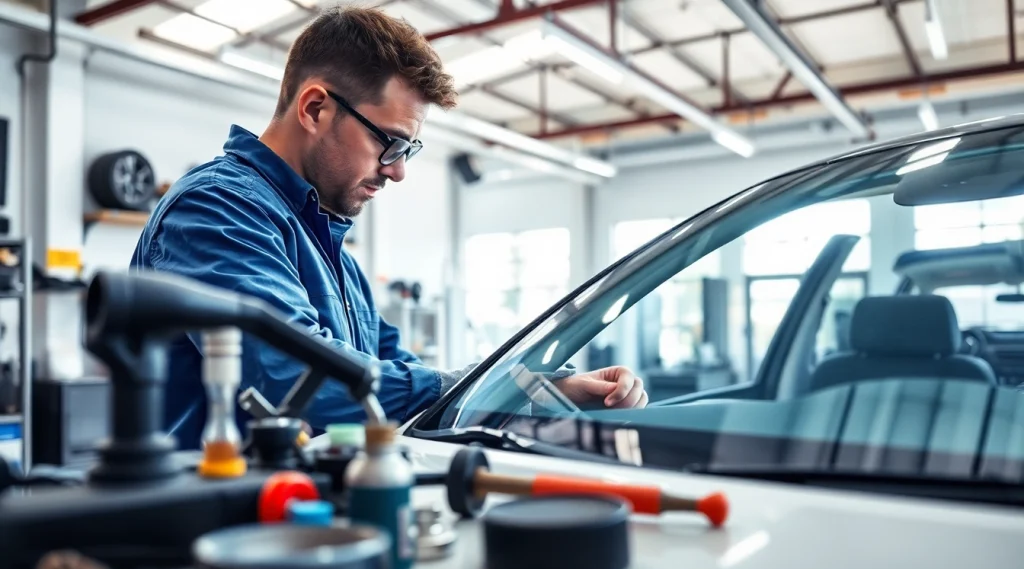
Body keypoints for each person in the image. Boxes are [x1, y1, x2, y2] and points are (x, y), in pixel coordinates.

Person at [131, 6, 647, 450]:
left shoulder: (335, 255)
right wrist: (513, 386)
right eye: (392, 144)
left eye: (408, 151)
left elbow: (401, 374)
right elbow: (298, 383)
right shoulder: (216, 209)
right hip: (205, 545)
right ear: (315, 108)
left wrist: (544, 387)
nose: (398, 170)